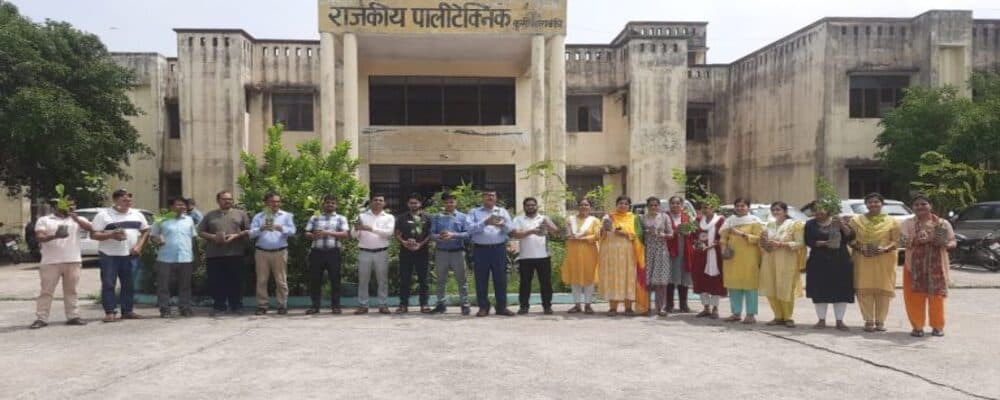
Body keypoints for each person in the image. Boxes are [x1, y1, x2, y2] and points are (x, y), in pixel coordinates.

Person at [29, 198, 93, 329]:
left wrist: (75, 218)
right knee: (46, 291)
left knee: (71, 290)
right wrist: (55, 236)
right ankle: (41, 318)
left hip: (73, 260)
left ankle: (73, 316)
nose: (71, 207)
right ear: (56, 207)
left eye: (72, 205)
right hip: (50, 262)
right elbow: (40, 237)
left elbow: (91, 228)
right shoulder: (45, 220)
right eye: (67, 205)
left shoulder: (77, 219)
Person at [90, 189, 150, 323]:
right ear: (115, 200)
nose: (128, 202)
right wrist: (111, 235)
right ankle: (110, 312)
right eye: (124, 200)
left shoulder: (137, 214)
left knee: (129, 284)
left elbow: (145, 231)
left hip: (131, 255)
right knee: (109, 284)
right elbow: (93, 234)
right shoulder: (103, 215)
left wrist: (139, 246)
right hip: (109, 255)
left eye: (129, 200)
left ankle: (127, 311)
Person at [901, 195, 956, 337]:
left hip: (937, 266)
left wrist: (944, 243)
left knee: (937, 297)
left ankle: (938, 326)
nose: (920, 207)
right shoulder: (907, 223)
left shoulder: (942, 223)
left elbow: (953, 242)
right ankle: (917, 327)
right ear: (913, 208)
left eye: (923, 204)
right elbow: (902, 242)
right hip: (913, 266)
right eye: (916, 204)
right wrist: (917, 240)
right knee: (914, 297)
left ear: (930, 206)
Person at [848, 192, 901, 332]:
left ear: (882, 204)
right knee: (864, 290)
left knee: (883, 291)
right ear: (865, 204)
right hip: (863, 259)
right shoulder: (856, 220)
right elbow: (850, 240)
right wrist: (861, 249)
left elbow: (897, 241)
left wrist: (885, 249)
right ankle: (868, 320)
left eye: (876, 202)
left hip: (884, 260)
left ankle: (880, 321)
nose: (873, 204)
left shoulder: (892, 221)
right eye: (870, 202)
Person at [197, 190, 251, 316]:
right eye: (224, 199)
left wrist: (236, 235)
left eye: (230, 199)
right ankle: (219, 307)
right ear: (218, 201)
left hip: (235, 253)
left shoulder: (240, 214)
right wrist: (213, 237)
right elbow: (200, 231)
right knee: (216, 281)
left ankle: (236, 306)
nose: (227, 201)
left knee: (236, 281)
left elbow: (249, 230)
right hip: (215, 254)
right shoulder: (210, 215)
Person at [804, 207, 855, 331]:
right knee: (819, 290)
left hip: (840, 260)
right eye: (815, 210)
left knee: (841, 290)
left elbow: (851, 237)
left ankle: (840, 321)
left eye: (821, 210)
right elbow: (808, 240)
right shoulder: (810, 224)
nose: (818, 213)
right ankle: (821, 320)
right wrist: (821, 243)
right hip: (818, 260)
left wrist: (842, 225)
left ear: (828, 211)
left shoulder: (839, 221)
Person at [466, 188, 514, 317]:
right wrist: (485, 222)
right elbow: (469, 229)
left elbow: (511, 229)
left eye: (492, 195)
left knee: (501, 279)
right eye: (487, 195)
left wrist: (502, 225)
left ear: (496, 198)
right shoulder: (474, 212)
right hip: (480, 250)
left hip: (498, 249)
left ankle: (501, 307)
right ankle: (483, 307)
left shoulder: (502, 211)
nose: (490, 197)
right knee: (481, 279)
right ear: (482, 197)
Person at [759, 202, 806, 328]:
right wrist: (763, 242)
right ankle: (778, 316)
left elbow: (800, 243)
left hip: (787, 260)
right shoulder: (769, 225)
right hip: (769, 259)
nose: (775, 212)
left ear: (785, 211)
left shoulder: (794, 225)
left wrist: (781, 244)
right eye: (773, 210)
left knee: (785, 289)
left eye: (778, 210)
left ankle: (788, 317)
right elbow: (763, 242)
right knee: (771, 287)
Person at [598, 196, 647, 316]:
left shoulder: (634, 218)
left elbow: (640, 236)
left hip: (629, 254)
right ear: (616, 204)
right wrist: (604, 228)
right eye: (620, 203)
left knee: (628, 278)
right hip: (611, 253)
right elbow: (600, 235)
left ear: (629, 206)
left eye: (626, 203)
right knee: (613, 278)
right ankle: (613, 308)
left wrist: (625, 233)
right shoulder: (608, 216)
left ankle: (628, 307)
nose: (623, 205)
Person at [150, 197, 198, 318]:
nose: (182, 207)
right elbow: (153, 236)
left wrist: (195, 256)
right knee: (164, 285)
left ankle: (185, 308)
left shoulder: (189, 220)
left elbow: (193, 238)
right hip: (165, 258)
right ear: (171, 207)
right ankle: (164, 309)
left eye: (184, 205)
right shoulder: (161, 219)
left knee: (185, 285)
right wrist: (157, 240)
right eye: (179, 204)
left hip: (186, 257)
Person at [249, 192, 296, 315]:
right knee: (261, 280)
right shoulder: (259, 216)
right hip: (261, 252)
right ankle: (262, 305)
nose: (275, 204)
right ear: (266, 203)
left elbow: (293, 231)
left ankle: (282, 305)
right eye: (272, 201)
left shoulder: (286, 216)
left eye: (278, 201)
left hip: (280, 251)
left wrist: (282, 228)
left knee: (281, 280)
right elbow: (251, 233)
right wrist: (261, 228)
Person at [511, 197, 559, 315]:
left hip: (543, 256)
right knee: (525, 283)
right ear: (524, 207)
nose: (530, 207)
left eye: (533, 205)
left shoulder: (543, 218)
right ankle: (524, 307)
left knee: (546, 283)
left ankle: (547, 306)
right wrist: (532, 231)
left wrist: (548, 224)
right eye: (528, 205)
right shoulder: (518, 219)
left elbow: (556, 232)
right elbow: (516, 235)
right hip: (525, 257)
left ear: (536, 206)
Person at [719, 197, 763, 324]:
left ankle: (750, 314)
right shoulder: (729, 221)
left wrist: (741, 234)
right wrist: (723, 250)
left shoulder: (755, 221)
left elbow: (759, 239)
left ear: (748, 207)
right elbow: (723, 238)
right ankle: (736, 313)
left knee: (750, 286)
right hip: (732, 258)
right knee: (733, 285)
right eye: (737, 205)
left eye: (743, 206)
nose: (740, 208)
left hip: (749, 258)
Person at [304, 195, 350, 315]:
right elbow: (306, 233)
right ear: (323, 204)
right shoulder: (315, 217)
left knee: (335, 280)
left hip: (333, 252)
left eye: (333, 203)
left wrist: (328, 233)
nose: (330, 205)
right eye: (328, 202)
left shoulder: (341, 218)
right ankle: (315, 306)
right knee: (315, 280)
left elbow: (345, 234)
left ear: (336, 205)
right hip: (316, 252)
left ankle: (336, 306)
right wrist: (312, 235)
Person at [353, 194, 395, 315]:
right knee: (363, 280)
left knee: (382, 280)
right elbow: (353, 235)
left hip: (381, 252)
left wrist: (371, 229)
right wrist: (357, 229)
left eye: (380, 200)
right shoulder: (361, 216)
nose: (378, 202)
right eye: (375, 200)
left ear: (384, 203)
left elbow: (388, 233)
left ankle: (383, 305)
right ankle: (363, 305)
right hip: (364, 251)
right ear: (371, 202)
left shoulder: (389, 217)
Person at [430, 193, 471, 315]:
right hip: (441, 252)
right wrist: (440, 237)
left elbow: (468, 234)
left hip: (457, 252)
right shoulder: (437, 217)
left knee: (462, 280)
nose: (449, 204)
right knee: (440, 280)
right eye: (446, 202)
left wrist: (454, 235)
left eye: (451, 202)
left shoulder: (463, 217)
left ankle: (465, 304)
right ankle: (441, 304)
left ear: (455, 203)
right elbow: (431, 234)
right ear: (443, 204)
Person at [562, 198, 601, 314]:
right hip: (573, 253)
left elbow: (597, 235)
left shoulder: (594, 221)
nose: (584, 207)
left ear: (590, 207)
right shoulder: (570, 219)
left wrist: (582, 238)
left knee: (589, 278)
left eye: (586, 205)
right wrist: (569, 235)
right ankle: (577, 305)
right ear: (578, 207)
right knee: (575, 278)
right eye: (581, 205)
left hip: (589, 253)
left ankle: (588, 305)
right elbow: (567, 234)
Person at [395, 194, 432, 313]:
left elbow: (430, 234)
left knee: (423, 279)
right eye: (411, 203)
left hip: (422, 251)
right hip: (405, 252)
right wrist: (404, 242)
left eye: (416, 203)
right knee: (404, 279)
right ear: (408, 204)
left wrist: (420, 244)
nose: (413, 205)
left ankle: (424, 304)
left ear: (420, 204)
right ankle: (403, 304)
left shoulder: (427, 217)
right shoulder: (401, 217)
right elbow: (397, 233)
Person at [691, 201, 726, 319]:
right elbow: (693, 236)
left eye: (707, 207)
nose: (705, 210)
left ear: (713, 208)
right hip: (700, 254)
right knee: (701, 279)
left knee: (715, 280)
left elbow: (723, 237)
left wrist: (711, 246)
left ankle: (715, 308)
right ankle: (706, 307)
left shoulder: (720, 220)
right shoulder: (697, 220)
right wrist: (697, 244)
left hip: (715, 254)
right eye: (703, 207)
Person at [641, 197, 673, 316]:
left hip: (661, 250)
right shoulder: (642, 218)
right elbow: (638, 234)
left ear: (659, 206)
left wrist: (663, 235)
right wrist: (646, 232)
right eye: (651, 205)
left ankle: (661, 307)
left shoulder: (664, 217)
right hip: (647, 250)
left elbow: (671, 234)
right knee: (647, 280)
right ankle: (646, 306)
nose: (653, 207)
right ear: (647, 206)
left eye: (656, 205)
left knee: (661, 280)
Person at [665, 196, 694, 313]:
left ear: (681, 205)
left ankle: (683, 304)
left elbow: (693, 232)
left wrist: (688, 232)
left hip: (684, 249)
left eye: (678, 203)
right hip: (670, 249)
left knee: (684, 277)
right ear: (669, 204)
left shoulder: (687, 216)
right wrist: (675, 231)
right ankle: (669, 304)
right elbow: (661, 231)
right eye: (673, 203)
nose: (675, 205)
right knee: (670, 277)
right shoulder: (665, 216)